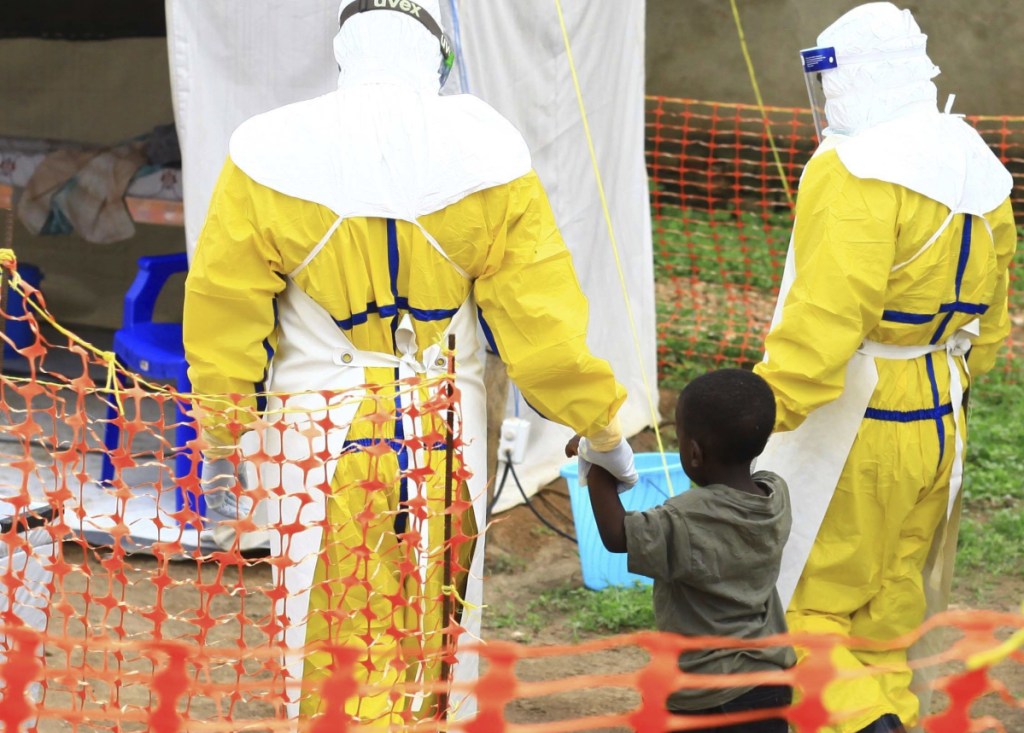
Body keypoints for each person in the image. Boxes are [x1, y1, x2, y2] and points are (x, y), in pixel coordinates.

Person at [183, 0, 639, 725]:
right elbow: (544, 334)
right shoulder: (487, 153)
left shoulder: (269, 150)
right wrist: (604, 429)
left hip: (316, 438)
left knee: (332, 642)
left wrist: (222, 429)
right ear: (437, 55)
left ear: (345, 50)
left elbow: (222, 311)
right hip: (443, 435)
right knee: (436, 634)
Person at [753, 4, 1017, 732]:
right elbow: (989, 326)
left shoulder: (854, 168)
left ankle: (872, 725)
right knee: (889, 612)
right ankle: (889, 712)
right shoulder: (976, 164)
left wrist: (758, 413)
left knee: (803, 601)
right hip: (941, 412)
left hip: (856, 413)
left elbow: (824, 325)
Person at [568, 369, 794, 733]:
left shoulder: (687, 519)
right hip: (769, 682)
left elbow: (616, 534)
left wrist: (597, 462)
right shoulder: (775, 497)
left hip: (706, 697)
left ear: (693, 453)